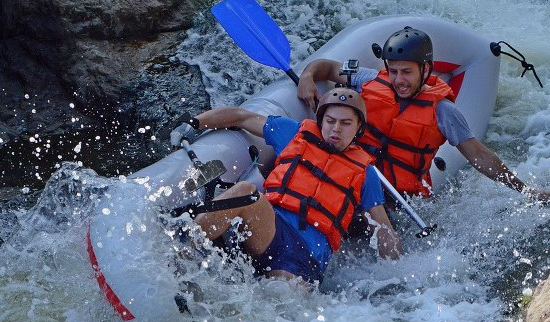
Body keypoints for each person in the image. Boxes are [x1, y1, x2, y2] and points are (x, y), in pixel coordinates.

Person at [169, 88, 402, 285]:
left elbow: (383, 229)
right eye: (330, 121)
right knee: (245, 193)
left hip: (307, 258)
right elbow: (240, 116)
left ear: (359, 128)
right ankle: (182, 258)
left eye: (345, 123)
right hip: (271, 228)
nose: (335, 129)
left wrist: (394, 277)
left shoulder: (366, 173)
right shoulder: (293, 133)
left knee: (280, 289)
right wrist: (194, 122)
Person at [297, 26, 550, 200]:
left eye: (406, 72)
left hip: (395, 197)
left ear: (426, 69)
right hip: (353, 174)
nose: (399, 80)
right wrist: (308, 76)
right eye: (394, 71)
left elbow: (479, 156)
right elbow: (327, 67)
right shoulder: (370, 80)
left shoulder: (444, 111)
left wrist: (525, 190)